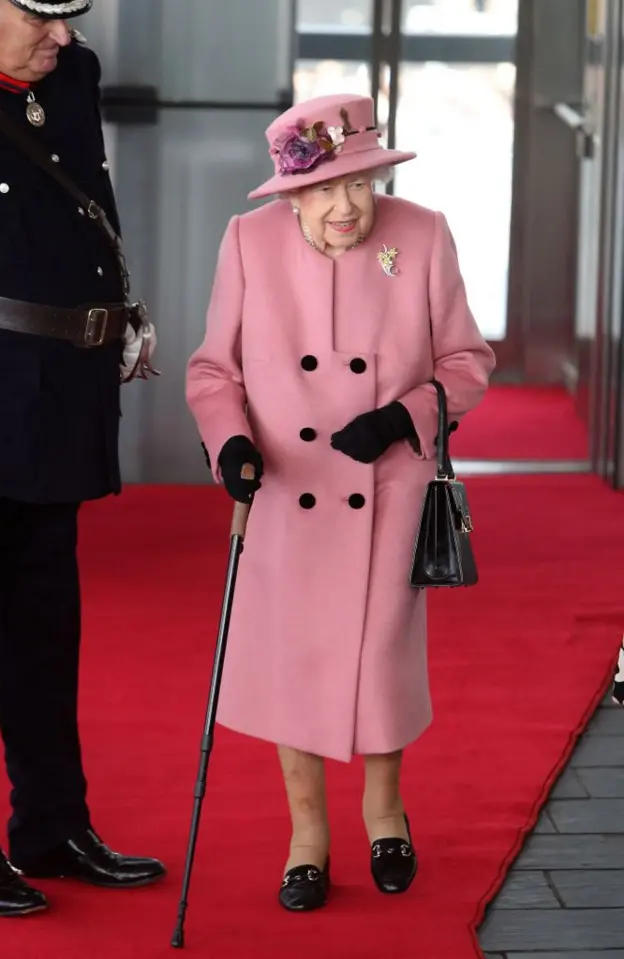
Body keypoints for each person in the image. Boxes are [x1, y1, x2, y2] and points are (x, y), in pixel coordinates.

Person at [186, 92, 496, 912]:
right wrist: (233, 445)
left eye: (360, 184)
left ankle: (386, 813)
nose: (347, 206)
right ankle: (307, 837)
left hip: (388, 487)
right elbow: (213, 372)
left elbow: (469, 359)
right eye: (326, 190)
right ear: (290, 194)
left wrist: (407, 413)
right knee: (299, 658)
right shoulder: (247, 242)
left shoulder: (422, 232)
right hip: (288, 489)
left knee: (381, 652)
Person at [0, 0, 164, 919]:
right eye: (39, 17)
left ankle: (53, 824)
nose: (62, 38)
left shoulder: (75, 78)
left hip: (58, 392)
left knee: (45, 627)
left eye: (69, 19)